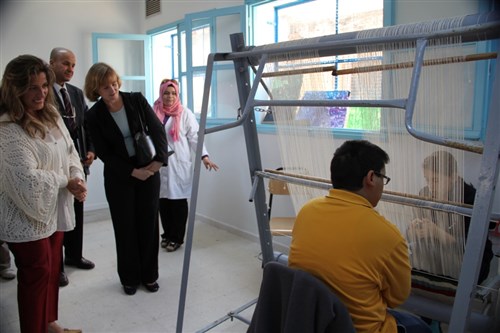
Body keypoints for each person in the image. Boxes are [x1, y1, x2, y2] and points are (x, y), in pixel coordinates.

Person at [288, 140, 431, 333]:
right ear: (371, 177)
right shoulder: (388, 235)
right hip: (358, 329)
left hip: (312, 320)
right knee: (421, 328)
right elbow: (397, 299)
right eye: (384, 178)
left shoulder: (307, 210)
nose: (383, 185)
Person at [0, 55, 86, 333]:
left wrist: (75, 176)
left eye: (44, 86)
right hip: (26, 216)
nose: (41, 94)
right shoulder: (7, 128)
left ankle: (50, 324)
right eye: (32, 88)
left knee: (50, 272)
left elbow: (70, 150)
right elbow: (25, 179)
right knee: (35, 275)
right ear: (15, 89)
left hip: (54, 207)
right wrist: (65, 181)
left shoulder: (50, 114)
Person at [84, 62, 169, 295]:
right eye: (105, 87)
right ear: (96, 90)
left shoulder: (136, 100)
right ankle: (130, 278)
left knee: (149, 224)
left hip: (149, 168)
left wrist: (159, 161)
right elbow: (104, 152)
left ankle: (150, 275)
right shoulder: (93, 115)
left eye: (114, 84)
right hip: (120, 176)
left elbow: (157, 129)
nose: (112, 90)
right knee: (125, 228)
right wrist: (132, 172)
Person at [406, 150, 494, 332]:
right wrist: (414, 230)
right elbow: (417, 231)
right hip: (436, 258)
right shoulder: (426, 194)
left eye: (436, 180)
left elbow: (472, 247)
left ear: (454, 177)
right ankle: (430, 320)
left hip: (469, 263)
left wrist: (436, 233)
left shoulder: (473, 199)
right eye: (427, 179)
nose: (431, 186)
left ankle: (437, 319)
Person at [153, 79, 219, 252]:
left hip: (178, 163)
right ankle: (167, 234)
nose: (170, 96)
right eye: (166, 93)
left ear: (178, 94)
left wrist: (204, 156)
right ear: (161, 93)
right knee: (163, 202)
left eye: (173, 93)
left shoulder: (185, 113)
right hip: (159, 164)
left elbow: (195, 137)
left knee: (178, 202)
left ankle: (177, 238)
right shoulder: (154, 111)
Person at [49, 47, 96, 288]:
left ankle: (74, 256)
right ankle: (55, 268)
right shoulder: (43, 93)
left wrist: (91, 150)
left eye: (73, 65)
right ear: (52, 63)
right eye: (65, 63)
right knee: (57, 218)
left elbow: (87, 126)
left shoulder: (76, 93)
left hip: (78, 164)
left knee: (77, 212)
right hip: (56, 167)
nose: (70, 69)